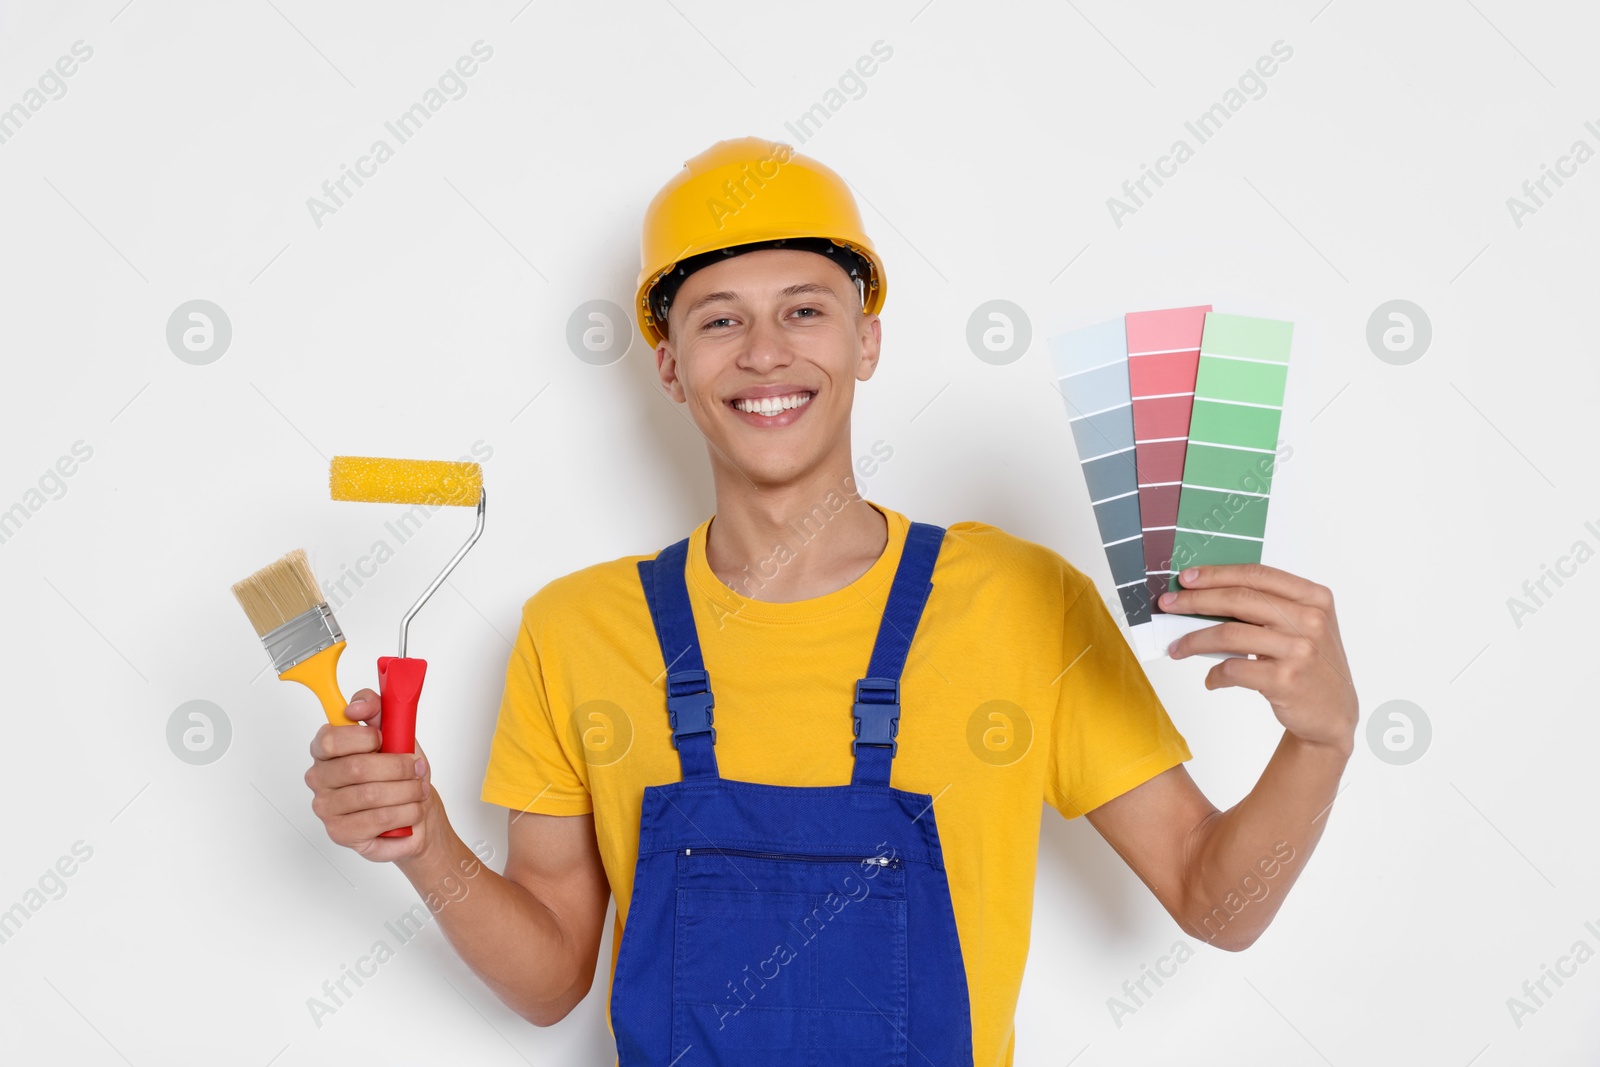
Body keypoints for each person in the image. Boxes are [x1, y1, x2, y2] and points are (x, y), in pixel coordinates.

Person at [304, 136, 1358, 1067]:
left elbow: (1216, 899)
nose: (765, 353)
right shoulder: (575, 630)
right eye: (720, 320)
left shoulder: (1021, 601)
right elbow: (547, 983)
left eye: (804, 309)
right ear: (669, 366)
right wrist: (423, 836)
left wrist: (1320, 740)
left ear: (867, 340)